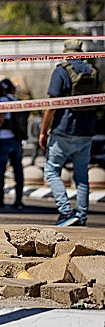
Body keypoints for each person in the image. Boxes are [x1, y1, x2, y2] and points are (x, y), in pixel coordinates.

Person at [39, 39, 101, 227]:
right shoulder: (93, 71)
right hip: (86, 131)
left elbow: (52, 105)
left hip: (63, 131)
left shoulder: (61, 71)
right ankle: (81, 216)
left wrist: (43, 131)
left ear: (65, 51)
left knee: (51, 171)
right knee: (81, 177)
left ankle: (66, 212)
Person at [0, 79, 24, 210]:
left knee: (0, 171)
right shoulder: (17, 102)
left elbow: (1, 118)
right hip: (16, 140)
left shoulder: (2, 101)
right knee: (18, 170)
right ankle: (18, 200)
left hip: (3, 139)